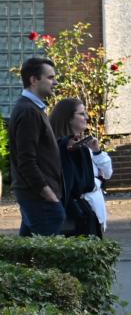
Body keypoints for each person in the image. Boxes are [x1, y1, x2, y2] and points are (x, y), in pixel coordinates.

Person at [9, 56, 64, 237]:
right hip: (38, 197)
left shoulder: (32, 108)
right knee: (46, 247)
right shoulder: (28, 111)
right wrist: (48, 194)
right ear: (34, 80)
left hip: (34, 195)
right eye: (50, 77)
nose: (55, 82)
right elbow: (26, 160)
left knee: (28, 248)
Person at [49, 99, 109, 237]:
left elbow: (107, 172)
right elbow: (79, 183)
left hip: (90, 209)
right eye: (81, 114)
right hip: (78, 211)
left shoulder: (85, 145)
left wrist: (97, 152)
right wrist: (98, 181)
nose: (86, 117)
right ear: (68, 118)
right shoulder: (66, 147)